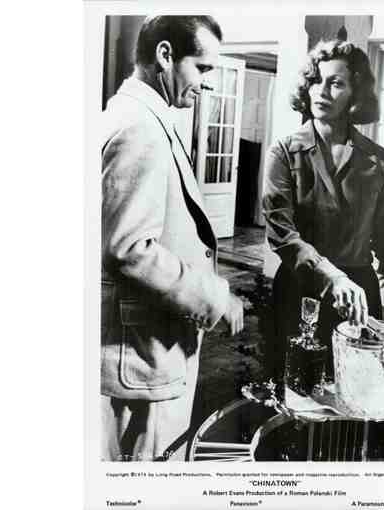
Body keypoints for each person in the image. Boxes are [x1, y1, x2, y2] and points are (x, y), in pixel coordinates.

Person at [100, 15, 244, 462]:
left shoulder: (141, 115)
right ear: (165, 55)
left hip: (145, 349)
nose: (207, 82)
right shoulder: (139, 127)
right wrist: (215, 296)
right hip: (142, 356)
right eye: (201, 68)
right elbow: (129, 249)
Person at [262, 39, 384, 383]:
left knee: (357, 392)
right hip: (300, 291)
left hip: (360, 296)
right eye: (316, 80)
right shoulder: (283, 152)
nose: (321, 91)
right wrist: (334, 277)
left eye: (336, 83)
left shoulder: (377, 161)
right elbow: (282, 235)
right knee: (295, 394)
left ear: (356, 94)